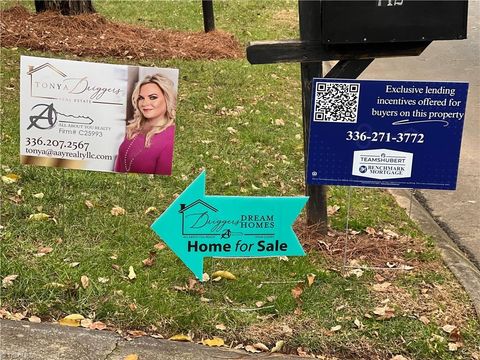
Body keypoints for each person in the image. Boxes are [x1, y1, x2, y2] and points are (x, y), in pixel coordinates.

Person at [115, 74, 176, 175]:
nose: (144, 103)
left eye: (153, 97)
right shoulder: (135, 127)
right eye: (141, 98)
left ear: (167, 99)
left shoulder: (171, 138)